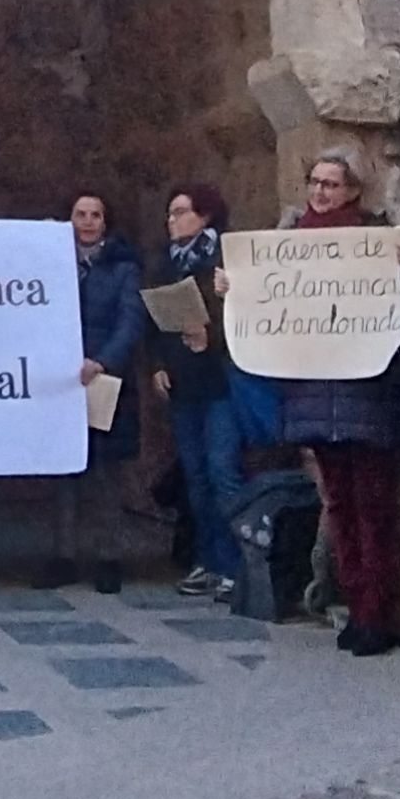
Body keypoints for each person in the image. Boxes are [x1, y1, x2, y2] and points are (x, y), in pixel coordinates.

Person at [276, 150, 400, 655]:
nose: (320, 193)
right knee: (338, 504)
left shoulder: (379, 238)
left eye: (332, 185)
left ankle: (376, 612)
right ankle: (356, 604)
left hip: (367, 390)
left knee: (373, 505)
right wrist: (237, 288)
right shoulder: (287, 244)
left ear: (354, 190)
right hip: (317, 391)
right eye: (315, 182)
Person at [148, 183, 246, 598]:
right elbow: (153, 318)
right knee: (196, 478)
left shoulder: (227, 261)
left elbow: (251, 319)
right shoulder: (166, 265)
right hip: (184, 384)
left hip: (219, 383)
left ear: (205, 216)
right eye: (170, 213)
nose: (173, 220)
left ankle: (236, 565)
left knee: (223, 472)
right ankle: (206, 560)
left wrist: (213, 337)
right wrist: (156, 366)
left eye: (181, 212)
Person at [49, 192, 149, 594]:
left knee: (105, 472)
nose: (87, 222)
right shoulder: (51, 264)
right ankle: (63, 555)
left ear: (106, 222)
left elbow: (130, 321)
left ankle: (109, 557)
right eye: (80, 214)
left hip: (105, 379)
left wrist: (103, 362)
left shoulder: (123, 268)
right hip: (60, 379)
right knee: (62, 470)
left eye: (95, 215)